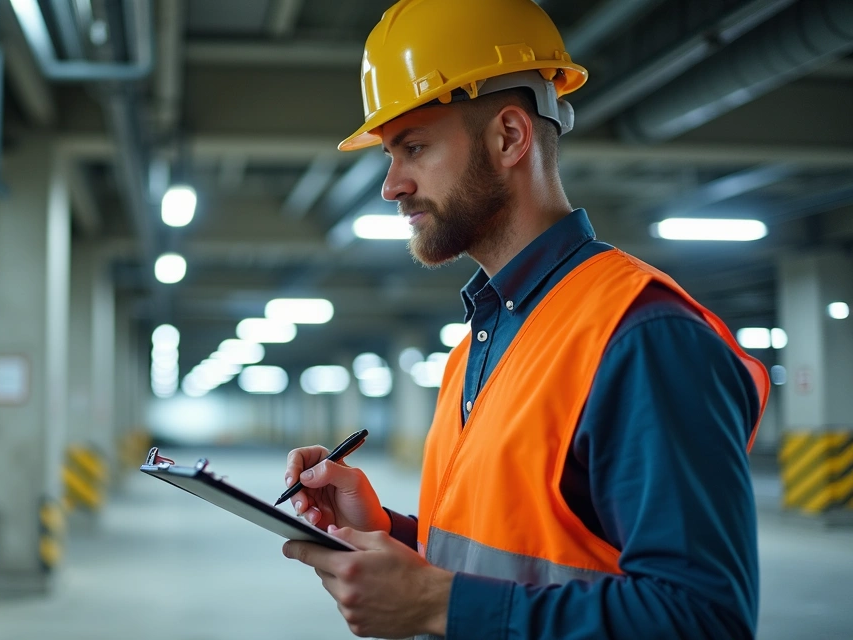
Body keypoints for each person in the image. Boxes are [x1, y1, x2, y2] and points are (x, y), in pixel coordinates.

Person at [278, 1, 770, 638]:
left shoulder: (641, 335)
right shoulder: (479, 343)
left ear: (509, 137)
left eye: (414, 147)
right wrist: (390, 532)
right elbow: (508, 550)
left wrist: (438, 605)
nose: (391, 185)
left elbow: (702, 619)